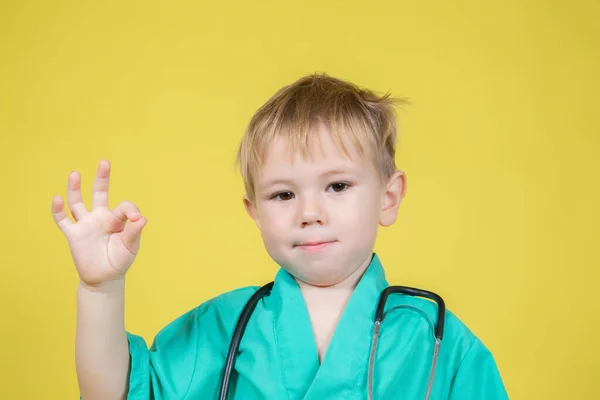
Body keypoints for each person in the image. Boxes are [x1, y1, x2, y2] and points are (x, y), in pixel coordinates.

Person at [52, 73, 508, 399]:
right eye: (283, 194)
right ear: (254, 213)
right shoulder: (224, 326)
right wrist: (100, 287)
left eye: (338, 186)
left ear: (389, 198)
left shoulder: (438, 342)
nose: (310, 213)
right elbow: (113, 394)